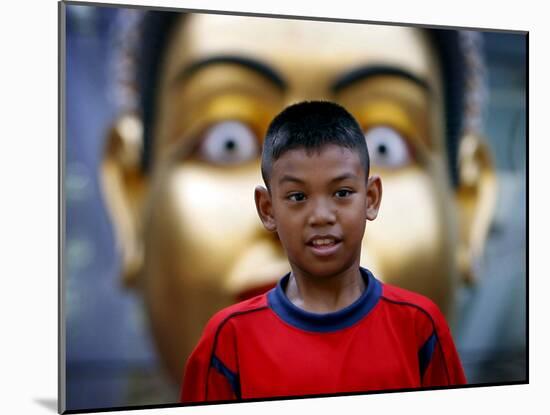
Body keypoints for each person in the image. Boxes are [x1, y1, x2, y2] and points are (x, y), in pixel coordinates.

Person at [102, 10, 495, 385]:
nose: (315, 214)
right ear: (133, 196)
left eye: (383, 146)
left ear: (466, 206)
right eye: (228, 141)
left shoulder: (422, 328)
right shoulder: (223, 344)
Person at [180, 101, 467, 402]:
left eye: (342, 193)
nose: (320, 216)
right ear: (267, 209)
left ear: (371, 198)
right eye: (297, 196)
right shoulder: (230, 339)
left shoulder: (418, 326)